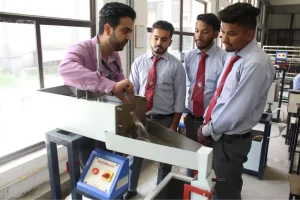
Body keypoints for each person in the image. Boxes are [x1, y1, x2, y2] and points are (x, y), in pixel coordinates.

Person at [197, 3, 276, 200]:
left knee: (226, 192)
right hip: (219, 136)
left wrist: (207, 129)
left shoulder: (255, 64)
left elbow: (236, 111)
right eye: (223, 32)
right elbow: (221, 95)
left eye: (231, 33)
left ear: (249, 35)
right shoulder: (235, 56)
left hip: (229, 143)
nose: (224, 39)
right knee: (215, 186)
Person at [58, 2, 136, 168]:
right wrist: (109, 85)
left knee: (115, 173)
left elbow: (117, 82)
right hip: (85, 127)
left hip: (107, 125)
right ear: (108, 29)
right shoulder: (81, 50)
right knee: (95, 177)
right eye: (125, 31)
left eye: (130, 32)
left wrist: (124, 89)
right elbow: (65, 69)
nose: (129, 37)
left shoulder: (115, 55)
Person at [123, 20, 186, 200]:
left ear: (170, 42)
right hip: (141, 118)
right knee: (135, 156)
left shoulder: (176, 67)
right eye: (156, 38)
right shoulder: (139, 63)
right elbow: (131, 94)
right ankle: (131, 188)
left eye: (164, 39)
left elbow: (180, 99)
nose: (159, 43)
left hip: (165, 120)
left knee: (165, 159)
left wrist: (174, 125)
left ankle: (161, 190)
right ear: (151, 37)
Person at [183, 13, 227, 177]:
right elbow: (190, 84)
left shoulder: (225, 59)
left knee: (211, 164)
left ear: (216, 34)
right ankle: (190, 188)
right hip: (192, 118)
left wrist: (211, 124)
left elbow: (224, 96)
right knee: (191, 160)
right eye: (196, 30)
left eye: (205, 32)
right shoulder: (189, 57)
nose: (198, 36)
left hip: (213, 122)